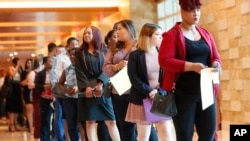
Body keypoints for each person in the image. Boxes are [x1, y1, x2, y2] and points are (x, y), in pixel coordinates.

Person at [158, 0, 222, 140]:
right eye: (191, 10)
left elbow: (216, 58)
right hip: (183, 94)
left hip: (206, 93)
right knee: (185, 135)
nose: (196, 14)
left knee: (208, 134)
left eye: (198, 10)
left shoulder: (205, 34)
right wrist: (192, 66)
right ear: (182, 11)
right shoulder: (172, 35)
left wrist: (216, 65)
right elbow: (164, 61)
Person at [103, 19, 158, 141]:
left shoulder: (140, 46)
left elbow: (151, 65)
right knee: (125, 127)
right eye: (116, 29)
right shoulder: (113, 48)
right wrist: (116, 66)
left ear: (129, 29)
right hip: (120, 92)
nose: (117, 32)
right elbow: (106, 68)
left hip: (139, 91)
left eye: (120, 29)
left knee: (146, 125)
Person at [125, 23, 174, 141]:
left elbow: (167, 75)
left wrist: (158, 91)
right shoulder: (135, 55)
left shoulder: (162, 53)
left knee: (166, 133)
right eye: (157, 34)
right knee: (143, 136)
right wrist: (149, 91)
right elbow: (133, 76)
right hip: (142, 99)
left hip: (160, 97)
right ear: (147, 36)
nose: (161, 37)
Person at [75, 26, 120, 141]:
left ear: (96, 34)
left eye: (89, 33)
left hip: (103, 88)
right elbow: (79, 71)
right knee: (90, 121)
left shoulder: (105, 50)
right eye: (85, 33)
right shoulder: (79, 52)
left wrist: (100, 83)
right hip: (87, 89)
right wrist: (86, 87)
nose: (86, 35)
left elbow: (108, 68)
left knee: (111, 120)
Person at [57, 48, 80, 141]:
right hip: (69, 99)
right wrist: (66, 90)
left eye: (74, 54)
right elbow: (59, 84)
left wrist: (77, 87)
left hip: (81, 98)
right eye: (70, 55)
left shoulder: (84, 68)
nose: (72, 56)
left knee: (82, 124)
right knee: (71, 125)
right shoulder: (66, 70)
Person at [34, 56, 53, 141]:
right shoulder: (41, 73)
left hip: (56, 99)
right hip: (45, 99)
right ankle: (45, 139)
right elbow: (36, 86)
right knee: (45, 120)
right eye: (49, 61)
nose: (52, 62)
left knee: (56, 120)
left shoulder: (57, 72)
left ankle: (55, 138)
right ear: (45, 63)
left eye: (53, 61)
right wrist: (45, 87)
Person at [6, 57, 23, 132]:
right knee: (12, 108)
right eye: (17, 62)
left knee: (16, 108)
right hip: (12, 89)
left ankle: (15, 124)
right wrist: (17, 67)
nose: (18, 63)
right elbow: (12, 75)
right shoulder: (11, 68)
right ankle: (11, 125)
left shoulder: (20, 69)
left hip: (18, 88)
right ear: (14, 63)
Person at [20, 58, 34, 134]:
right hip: (27, 92)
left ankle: (35, 127)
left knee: (35, 110)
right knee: (29, 110)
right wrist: (28, 78)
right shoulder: (24, 72)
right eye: (27, 63)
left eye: (30, 62)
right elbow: (21, 83)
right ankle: (31, 128)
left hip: (35, 91)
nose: (29, 64)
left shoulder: (36, 72)